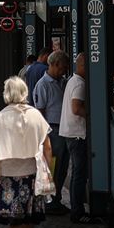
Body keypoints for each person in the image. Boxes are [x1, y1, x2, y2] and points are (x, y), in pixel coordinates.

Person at [0, 76, 52, 228]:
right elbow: (48, 147)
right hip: (32, 172)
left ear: (6, 94)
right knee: (29, 216)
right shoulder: (36, 116)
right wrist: (49, 172)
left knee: (14, 217)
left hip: (9, 175)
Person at [60, 53, 100, 224]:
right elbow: (76, 108)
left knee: (78, 172)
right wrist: (93, 117)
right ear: (83, 66)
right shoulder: (80, 84)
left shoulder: (72, 80)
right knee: (79, 173)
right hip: (77, 134)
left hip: (71, 132)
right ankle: (77, 211)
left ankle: (77, 208)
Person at [30, 50, 70, 213]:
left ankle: (56, 198)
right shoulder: (43, 85)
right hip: (52, 130)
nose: (64, 71)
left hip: (64, 128)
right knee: (52, 166)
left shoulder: (63, 81)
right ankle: (49, 200)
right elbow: (40, 112)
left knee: (61, 166)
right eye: (61, 68)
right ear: (53, 65)